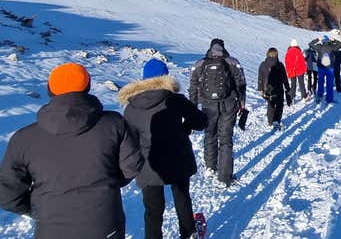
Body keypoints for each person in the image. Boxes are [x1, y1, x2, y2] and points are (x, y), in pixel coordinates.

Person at [0, 63, 142, 239]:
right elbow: (132, 166)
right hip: (105, 225)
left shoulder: (24, 138)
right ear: (87, 86)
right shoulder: (114, 124)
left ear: (50, 90)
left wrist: (38, 208)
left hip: (51, 228)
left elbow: (7, 195)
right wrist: (108, 181)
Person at [118, 59, 208, 239]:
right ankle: (189, 234)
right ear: (165, 77)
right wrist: (184, 128)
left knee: (153, 210)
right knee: (182, 199)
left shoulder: (131, 107)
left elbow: (129, 139)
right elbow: (201, 121)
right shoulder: (175, 100)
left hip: (148, 163)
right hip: (178, 159)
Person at [188, 38, 247, 186]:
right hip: (229, 104)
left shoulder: (200, 64)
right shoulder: (232, 62)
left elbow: (193, 86)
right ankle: (225, 177)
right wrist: (242, 103)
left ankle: (210, 167)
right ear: (223, 48)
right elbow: (241, 83)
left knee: (210, 135)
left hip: (208, 105)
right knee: (226, 138)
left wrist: (193, 107)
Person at [258, 47, 292, 131]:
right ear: (277, 55)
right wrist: (287, 88)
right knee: (279, 105)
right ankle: (276, 120)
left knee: (271, 105)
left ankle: (270, 121)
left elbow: (260, 78)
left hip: (268, 89)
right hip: (279, 87)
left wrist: (260, 89)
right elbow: (284, 78)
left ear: (267, 54)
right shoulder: (280, 65)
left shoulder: (263, 64)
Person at [309, 35, 341, 104]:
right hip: (330, 68)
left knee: (320, 82)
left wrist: (317, 39)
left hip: (321, 67)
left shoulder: (319, 47)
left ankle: (320, 95)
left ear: (322, 41)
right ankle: (329, 99)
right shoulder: (332, 47)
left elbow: (310, 44)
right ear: (328, 41)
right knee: (329, 83)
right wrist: (334, 40)